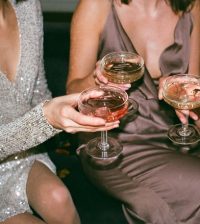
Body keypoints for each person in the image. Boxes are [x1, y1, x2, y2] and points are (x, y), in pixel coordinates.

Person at [66, 0, 200, 223]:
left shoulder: (191, 6)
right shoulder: (95, 5)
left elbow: (195, 89)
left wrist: (186, 95)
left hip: (178, 136)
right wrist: (96, 79)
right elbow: (71, 90)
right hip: (114, 141)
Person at [0, 0, 119, 223]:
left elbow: (38, 90)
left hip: (21, 153)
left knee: (58, 197)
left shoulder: (26, 6)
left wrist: (83, 98)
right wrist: (46, 121)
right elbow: (43, 118)